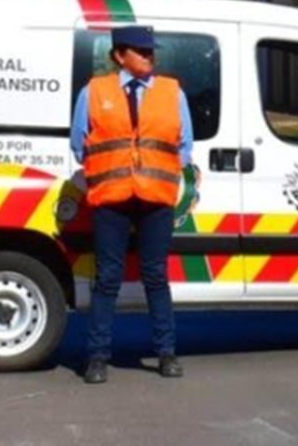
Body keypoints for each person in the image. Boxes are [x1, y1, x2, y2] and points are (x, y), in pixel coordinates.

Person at [69, 25, 194, 385]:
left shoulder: (172, 91)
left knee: (155, 275)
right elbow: (79, 143)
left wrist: (165, 168)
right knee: (107, 277)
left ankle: (167, 353)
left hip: (155, 196)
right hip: (111, 196)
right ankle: (97, 357)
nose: (149, 57)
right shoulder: (94, 91)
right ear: (119, 55)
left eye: (151, 52)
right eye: (141, 52)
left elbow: (185, 144)